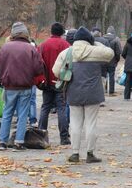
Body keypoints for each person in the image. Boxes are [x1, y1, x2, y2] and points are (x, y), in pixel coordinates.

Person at [53, 27, 114, 164]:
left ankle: (75, 153)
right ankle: (90, 153)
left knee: (75, 123)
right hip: (93, 93)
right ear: (89, 40)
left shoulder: (66, 52)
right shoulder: (95, 50)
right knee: (91, 124)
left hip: (73, 93)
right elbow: (110, 53)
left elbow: (56, 71)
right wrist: (95, 43)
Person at [0, 22, 44, 151]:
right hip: (26, 86)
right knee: (23, 114)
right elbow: (39, 68)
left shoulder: (5, 48)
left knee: (7, 113)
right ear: (25, 34)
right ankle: (19, 142)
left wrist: (3, 76)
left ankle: (2, 142)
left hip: (9, 86)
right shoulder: (30, 48)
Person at [38, 23, 71, 145]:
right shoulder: (66, 45)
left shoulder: (42, 45)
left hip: (46, 81)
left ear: (51, 31)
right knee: (61, 108)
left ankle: (41, 135)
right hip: (61, 81)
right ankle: (64, 137)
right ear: (62, 32)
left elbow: (38, 63)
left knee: (45, 107)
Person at [103, 26, 122, 97]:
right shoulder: (116, 39)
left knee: (104, 75)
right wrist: (117, 60)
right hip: (112, 60)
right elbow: (118, 52)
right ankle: (111, 91)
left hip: (103, 60)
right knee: (111, 75)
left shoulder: (102, 39)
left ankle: (104, 89)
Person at [92, 28, 110, 95]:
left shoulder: (90, 41)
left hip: (92, 63)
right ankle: (101, 98)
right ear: (100, 33)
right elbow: (108, 52)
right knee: (102, 80)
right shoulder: (105, 41)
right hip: (103, 63)